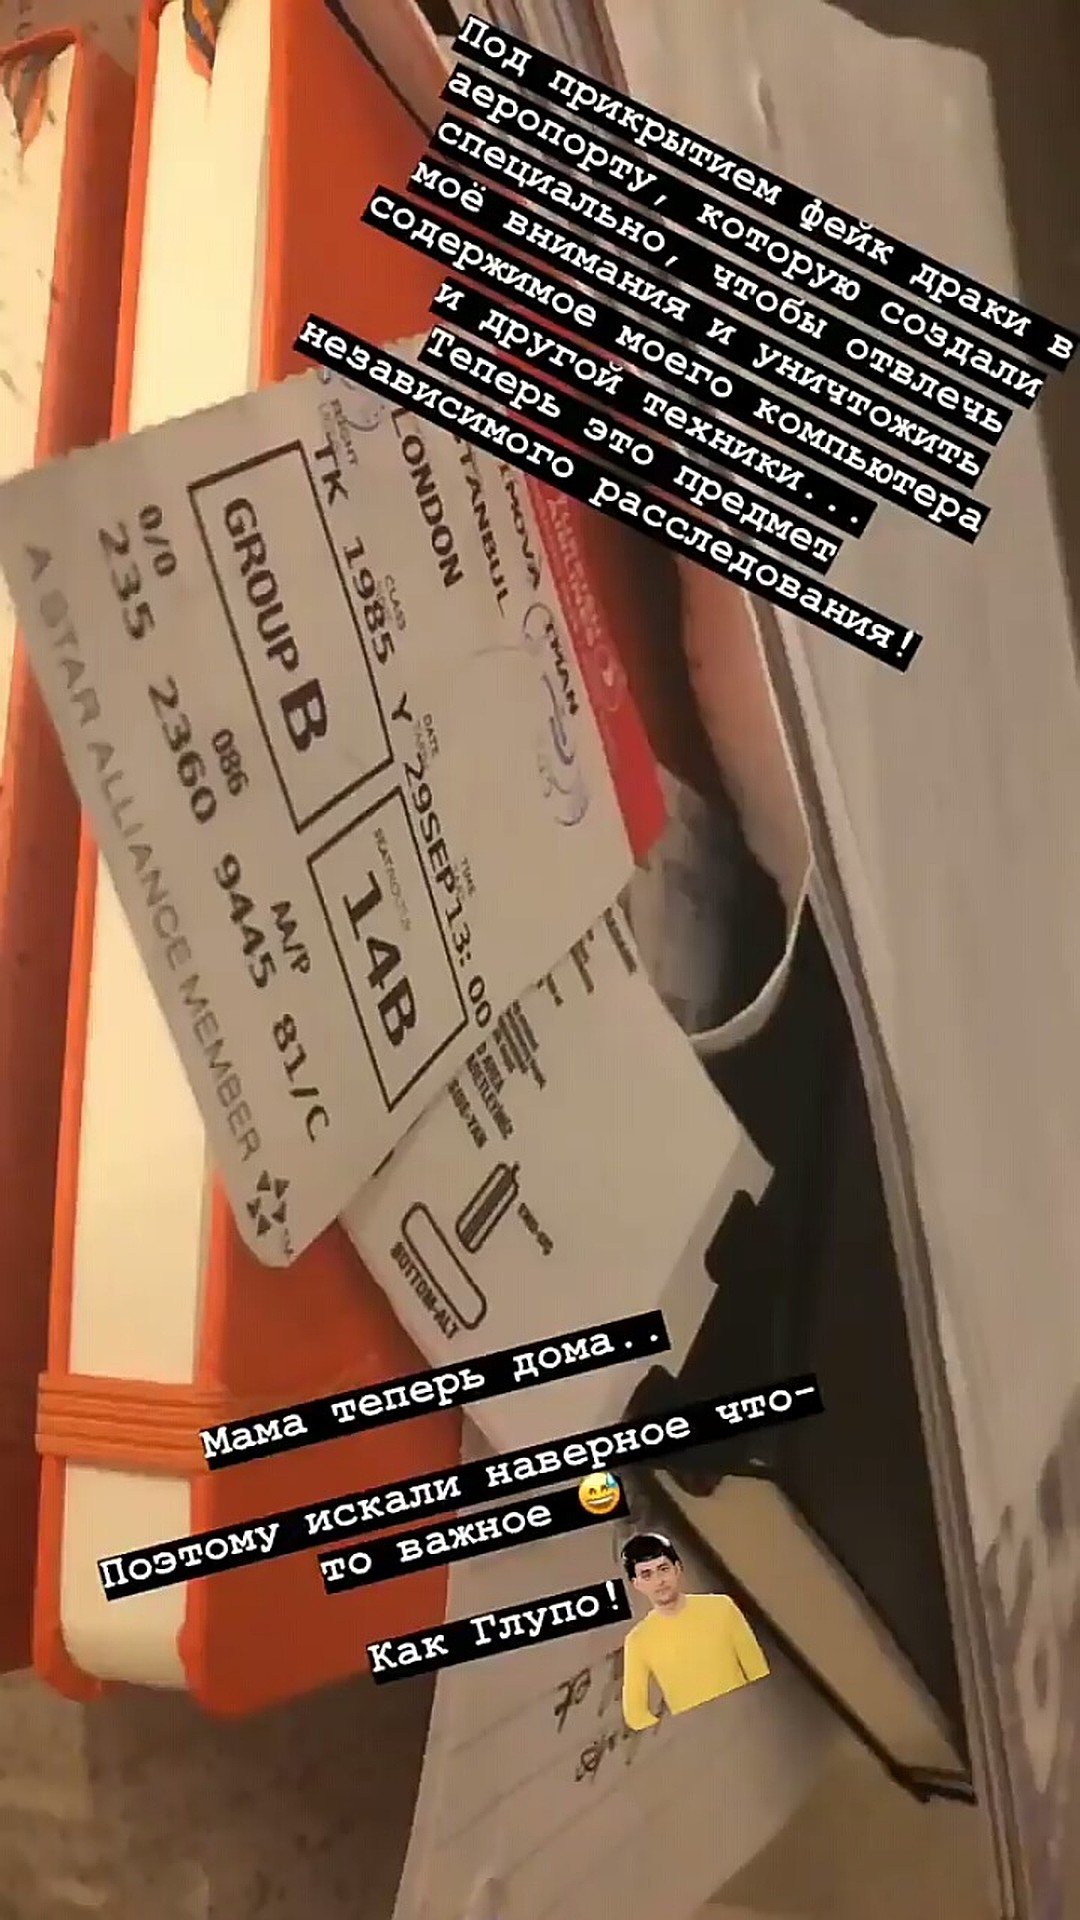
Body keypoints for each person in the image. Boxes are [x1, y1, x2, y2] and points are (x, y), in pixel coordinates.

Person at [619, 1532, 769, 1730]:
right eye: (647, 1575)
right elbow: (635, 1713)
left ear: (677, 1568)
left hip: (748, 1724)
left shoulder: (721, 1607)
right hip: (698, 1737)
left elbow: (758, 1669)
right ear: (636, 1584)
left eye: (663, 1569)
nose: (659, 1580)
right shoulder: (638, 1640)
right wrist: (680, 1730)